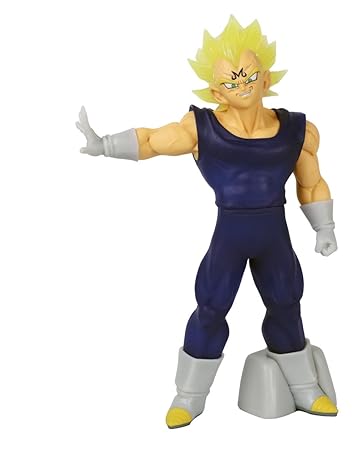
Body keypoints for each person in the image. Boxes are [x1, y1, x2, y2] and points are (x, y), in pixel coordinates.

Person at [76, 16, 338, 429]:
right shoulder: (201, 128)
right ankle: (189, 396)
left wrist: (325, 227)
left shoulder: (296, 130)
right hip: (230, 236)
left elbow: (312, 181)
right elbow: (153, 140)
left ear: (266, 78)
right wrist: (105, 144)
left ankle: (304, 386)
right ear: (217, 92)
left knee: (287, 303)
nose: (242, 85)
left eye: (248, 75)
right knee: (211, 308)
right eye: (231, 81)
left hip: (274, 235)